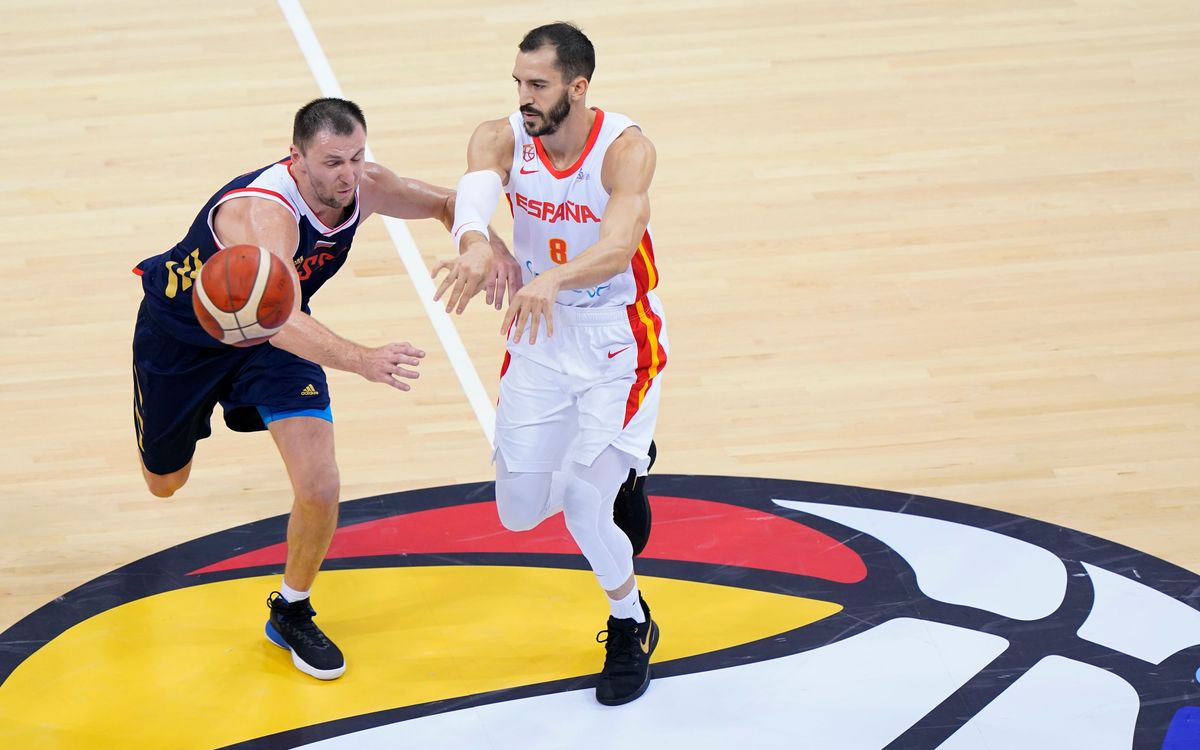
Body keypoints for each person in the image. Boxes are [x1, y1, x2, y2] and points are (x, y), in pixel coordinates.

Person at [132, 97, 519, 680]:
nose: (348, 174)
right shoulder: (265, 216)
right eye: (333, 161)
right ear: (297, 160)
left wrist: (484, 245)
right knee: (165, 483)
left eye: (357, 157)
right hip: (185, 340)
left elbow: (447, 202)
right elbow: (278, 320)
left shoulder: (365, 185)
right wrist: (363, 359)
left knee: (321, 483)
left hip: (270, 340)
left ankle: (291, 609)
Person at [433, 22, 668, 706]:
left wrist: (551, 280)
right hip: (538, 339)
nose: (524, 97)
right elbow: (473, 199)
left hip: (615, 343)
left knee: (586, 509)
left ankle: (630, 622)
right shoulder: (500, 136)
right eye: (519, 83)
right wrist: (478, 243)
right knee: (517, 511)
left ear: (578, 86)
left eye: (538, 85)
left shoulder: (625, 151)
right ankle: (622, 458)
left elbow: (620, 246)